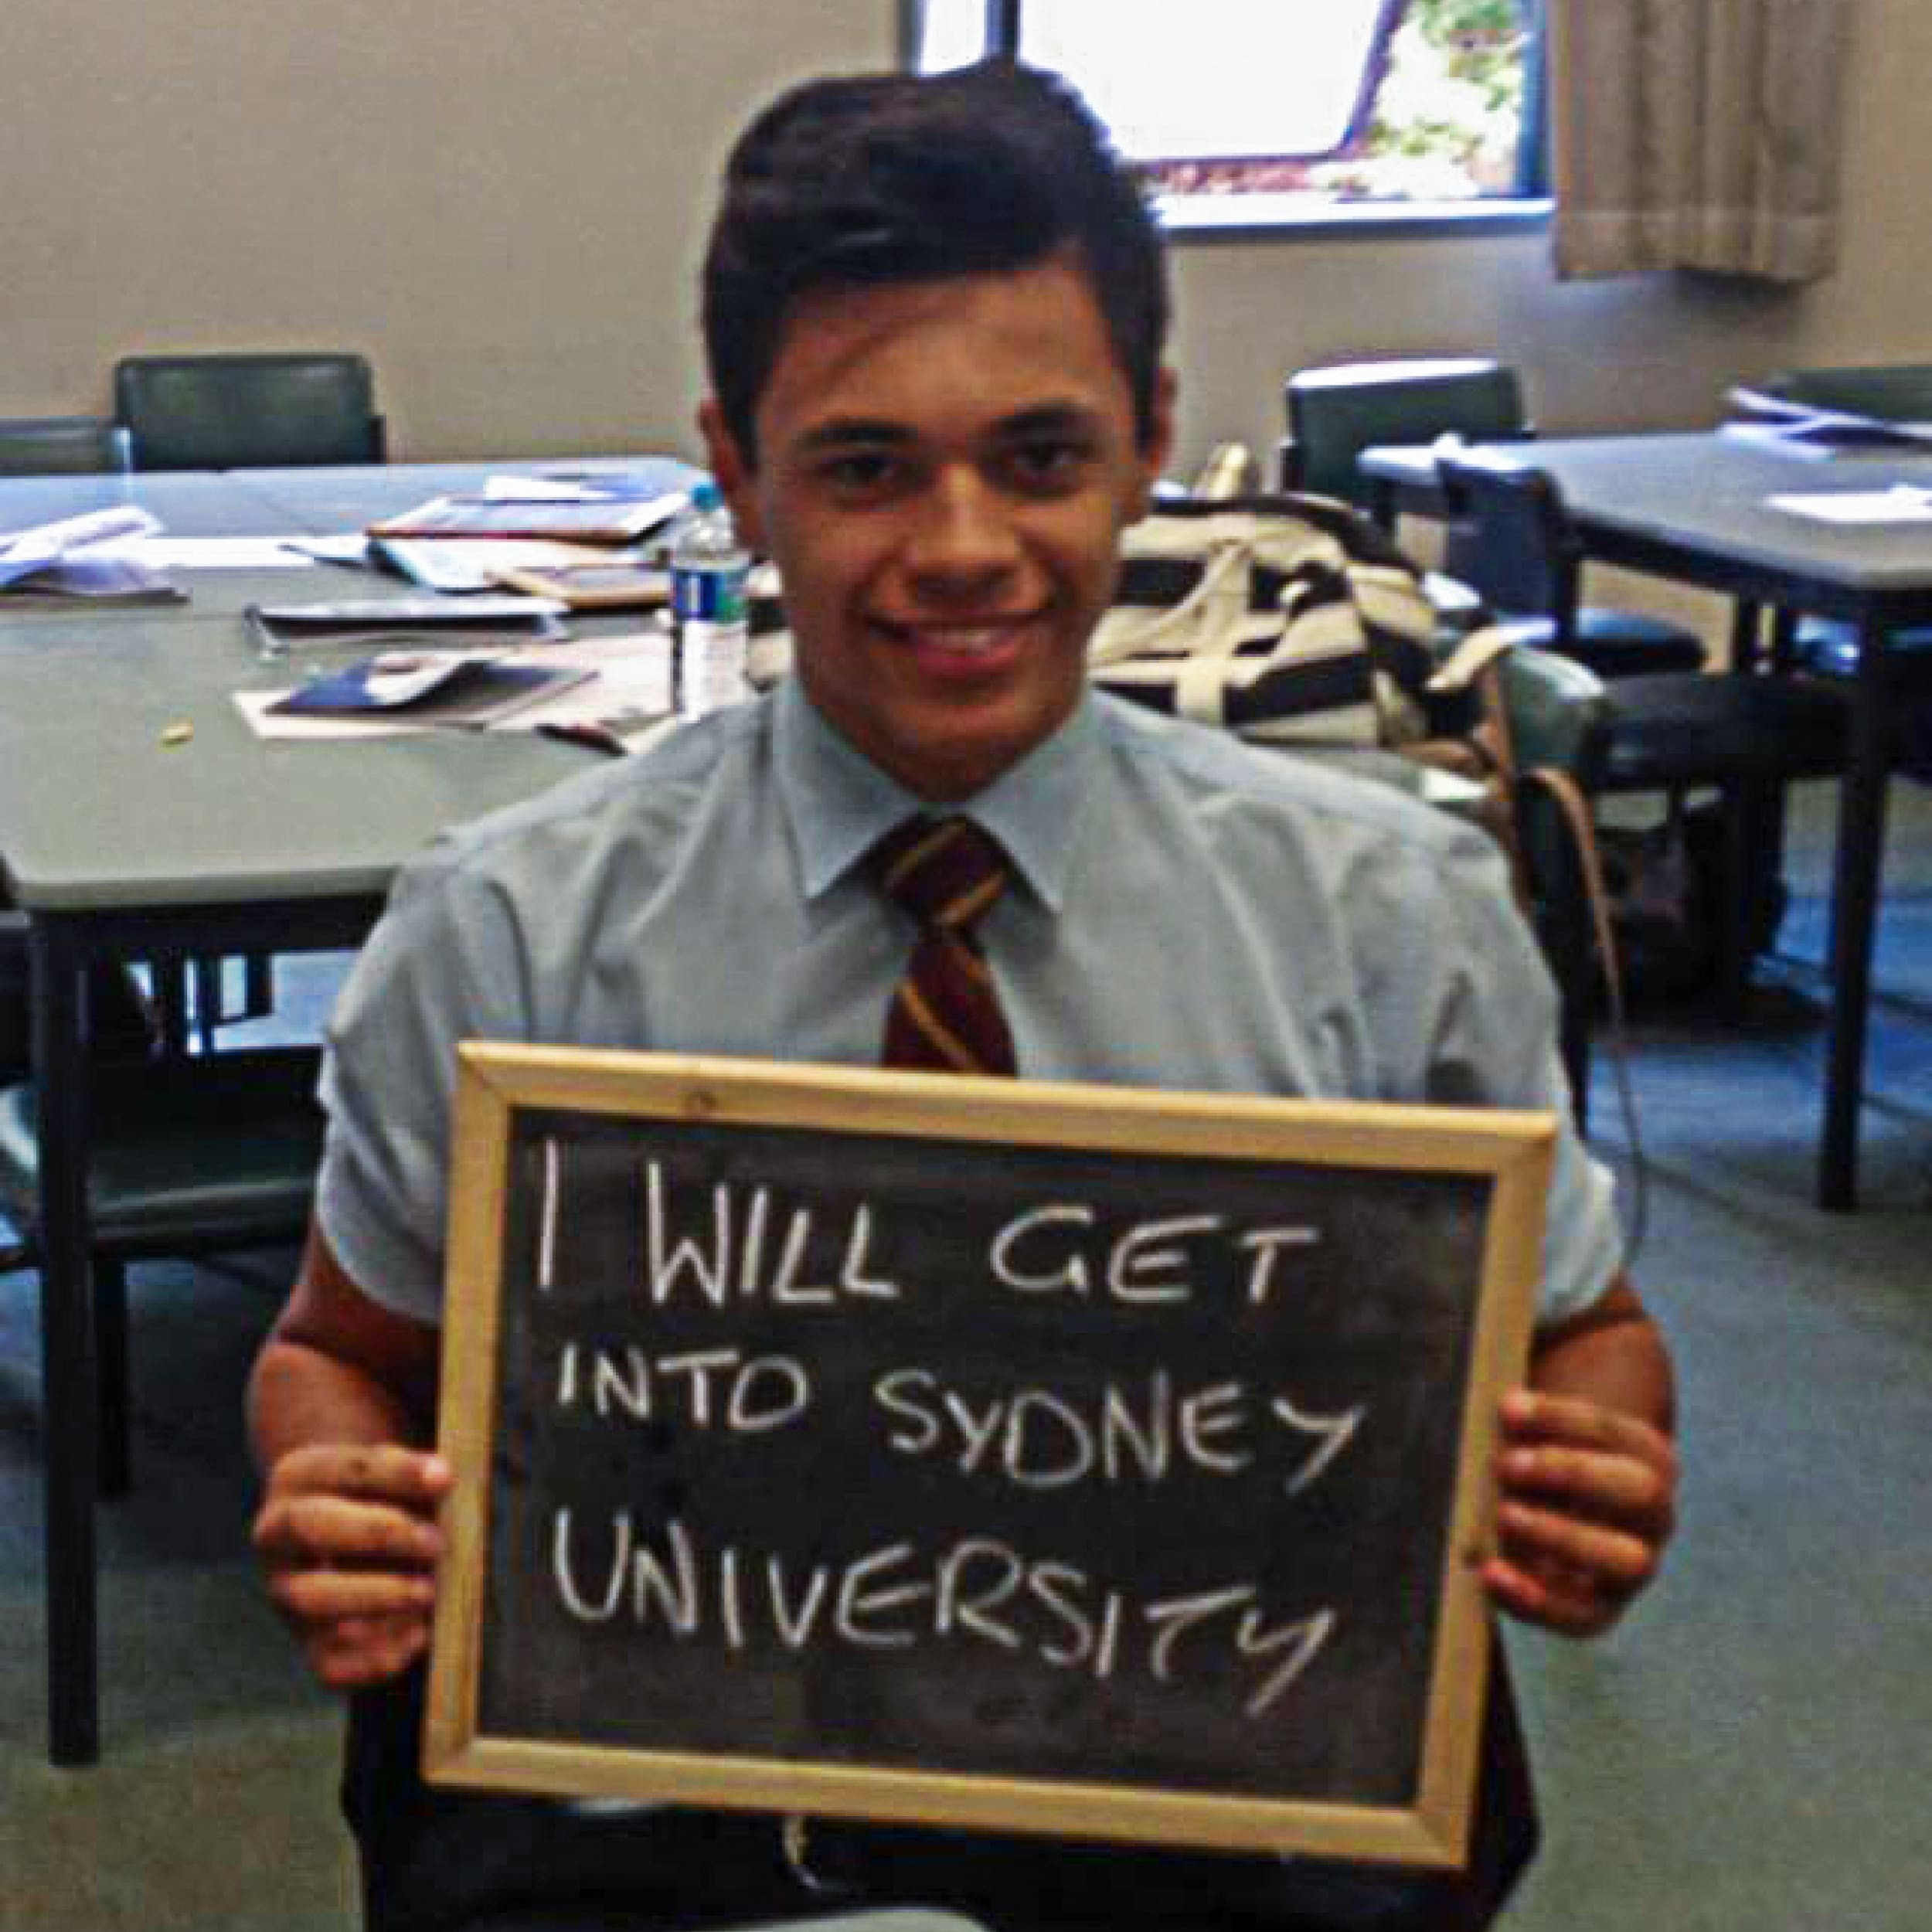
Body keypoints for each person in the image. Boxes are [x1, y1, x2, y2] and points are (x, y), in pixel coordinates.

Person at [249, 58, 1676, 1932]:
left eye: (1037, 454)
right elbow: (338, 1347)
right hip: (663, 1812)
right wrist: (336, 1492)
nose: (958, 546)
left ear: (1150, 437)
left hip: (1222, 1800)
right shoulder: (513, 929)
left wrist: (1597, 1464)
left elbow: (1584, 1329)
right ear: (736, 474)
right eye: (861, 464)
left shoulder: (1385, 914)